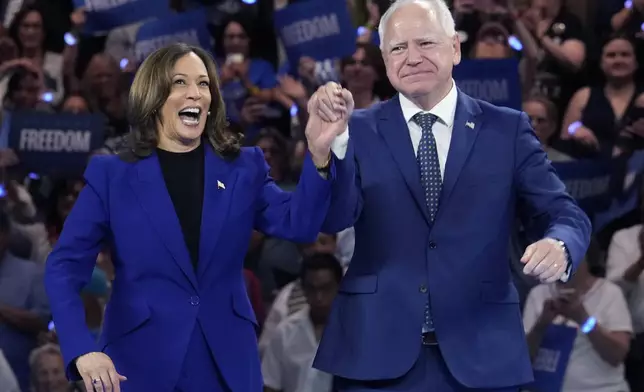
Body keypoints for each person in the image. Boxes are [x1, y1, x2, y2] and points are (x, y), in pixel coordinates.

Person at [307, 0, 592, 390]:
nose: (412, 58)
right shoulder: (355, 128)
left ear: (455, 47)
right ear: (385, 60)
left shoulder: (506, 130)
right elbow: (333, 218)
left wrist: (560, 243)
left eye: (425, 42)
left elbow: (564, 212)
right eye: (397, 48)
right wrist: (327, 153)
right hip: (375, 353)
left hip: (482, 353)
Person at [44, 43, 343, 392]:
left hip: (226, 366)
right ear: (153, 96)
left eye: (203, 84)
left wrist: (319, 154)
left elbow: (300, 224)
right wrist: (82, 350)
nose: (195, 94)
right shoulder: (112, 175)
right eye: (180, 83)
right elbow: (63, 266)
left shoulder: (242, 168)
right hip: (139, 364)